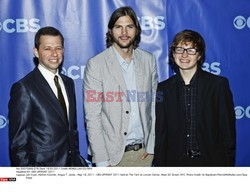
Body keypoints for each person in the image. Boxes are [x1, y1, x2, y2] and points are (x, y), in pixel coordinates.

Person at [84, 6, 158, 167]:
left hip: (144, 154)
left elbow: (153, 105)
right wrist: (102, 160)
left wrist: (151, 146)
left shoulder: (148, 60)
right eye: (118, 27)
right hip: (112, 157)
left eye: (129, 27)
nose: (124, 32)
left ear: (136, 30)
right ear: (110, 31)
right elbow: (92, 116)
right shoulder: (96, 64)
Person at [154, 29, 236, 166]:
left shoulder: (218, 85)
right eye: (179, 49)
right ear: (173, 54)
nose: (184, 55)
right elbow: (161, 133)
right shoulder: (163, 88)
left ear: (199, 55)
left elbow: (227, 132)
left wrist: (227, 167)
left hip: (211, 163)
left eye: (191, 50)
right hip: (174, 165)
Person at [8, 26, 88, 167]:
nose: (54, 53)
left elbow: (71, 130)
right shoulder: (24, 88)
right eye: (47, 48)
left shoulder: (68, 83)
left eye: (58, 48)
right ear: (36, 52)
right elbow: (18, 145)